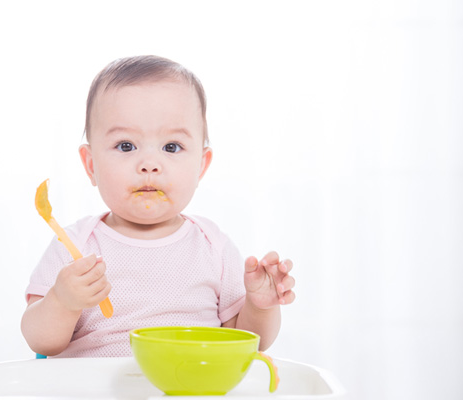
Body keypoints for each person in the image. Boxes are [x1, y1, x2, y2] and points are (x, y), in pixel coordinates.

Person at [21, 55, 296, 358]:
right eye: (126, 146)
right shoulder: (74, 245)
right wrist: (62, 300)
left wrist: (260, 306)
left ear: (201, 166)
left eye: (171, 147)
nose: (149, 164)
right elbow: (40, 341)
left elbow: (248, 341)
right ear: (90, 165)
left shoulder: (212, 246)